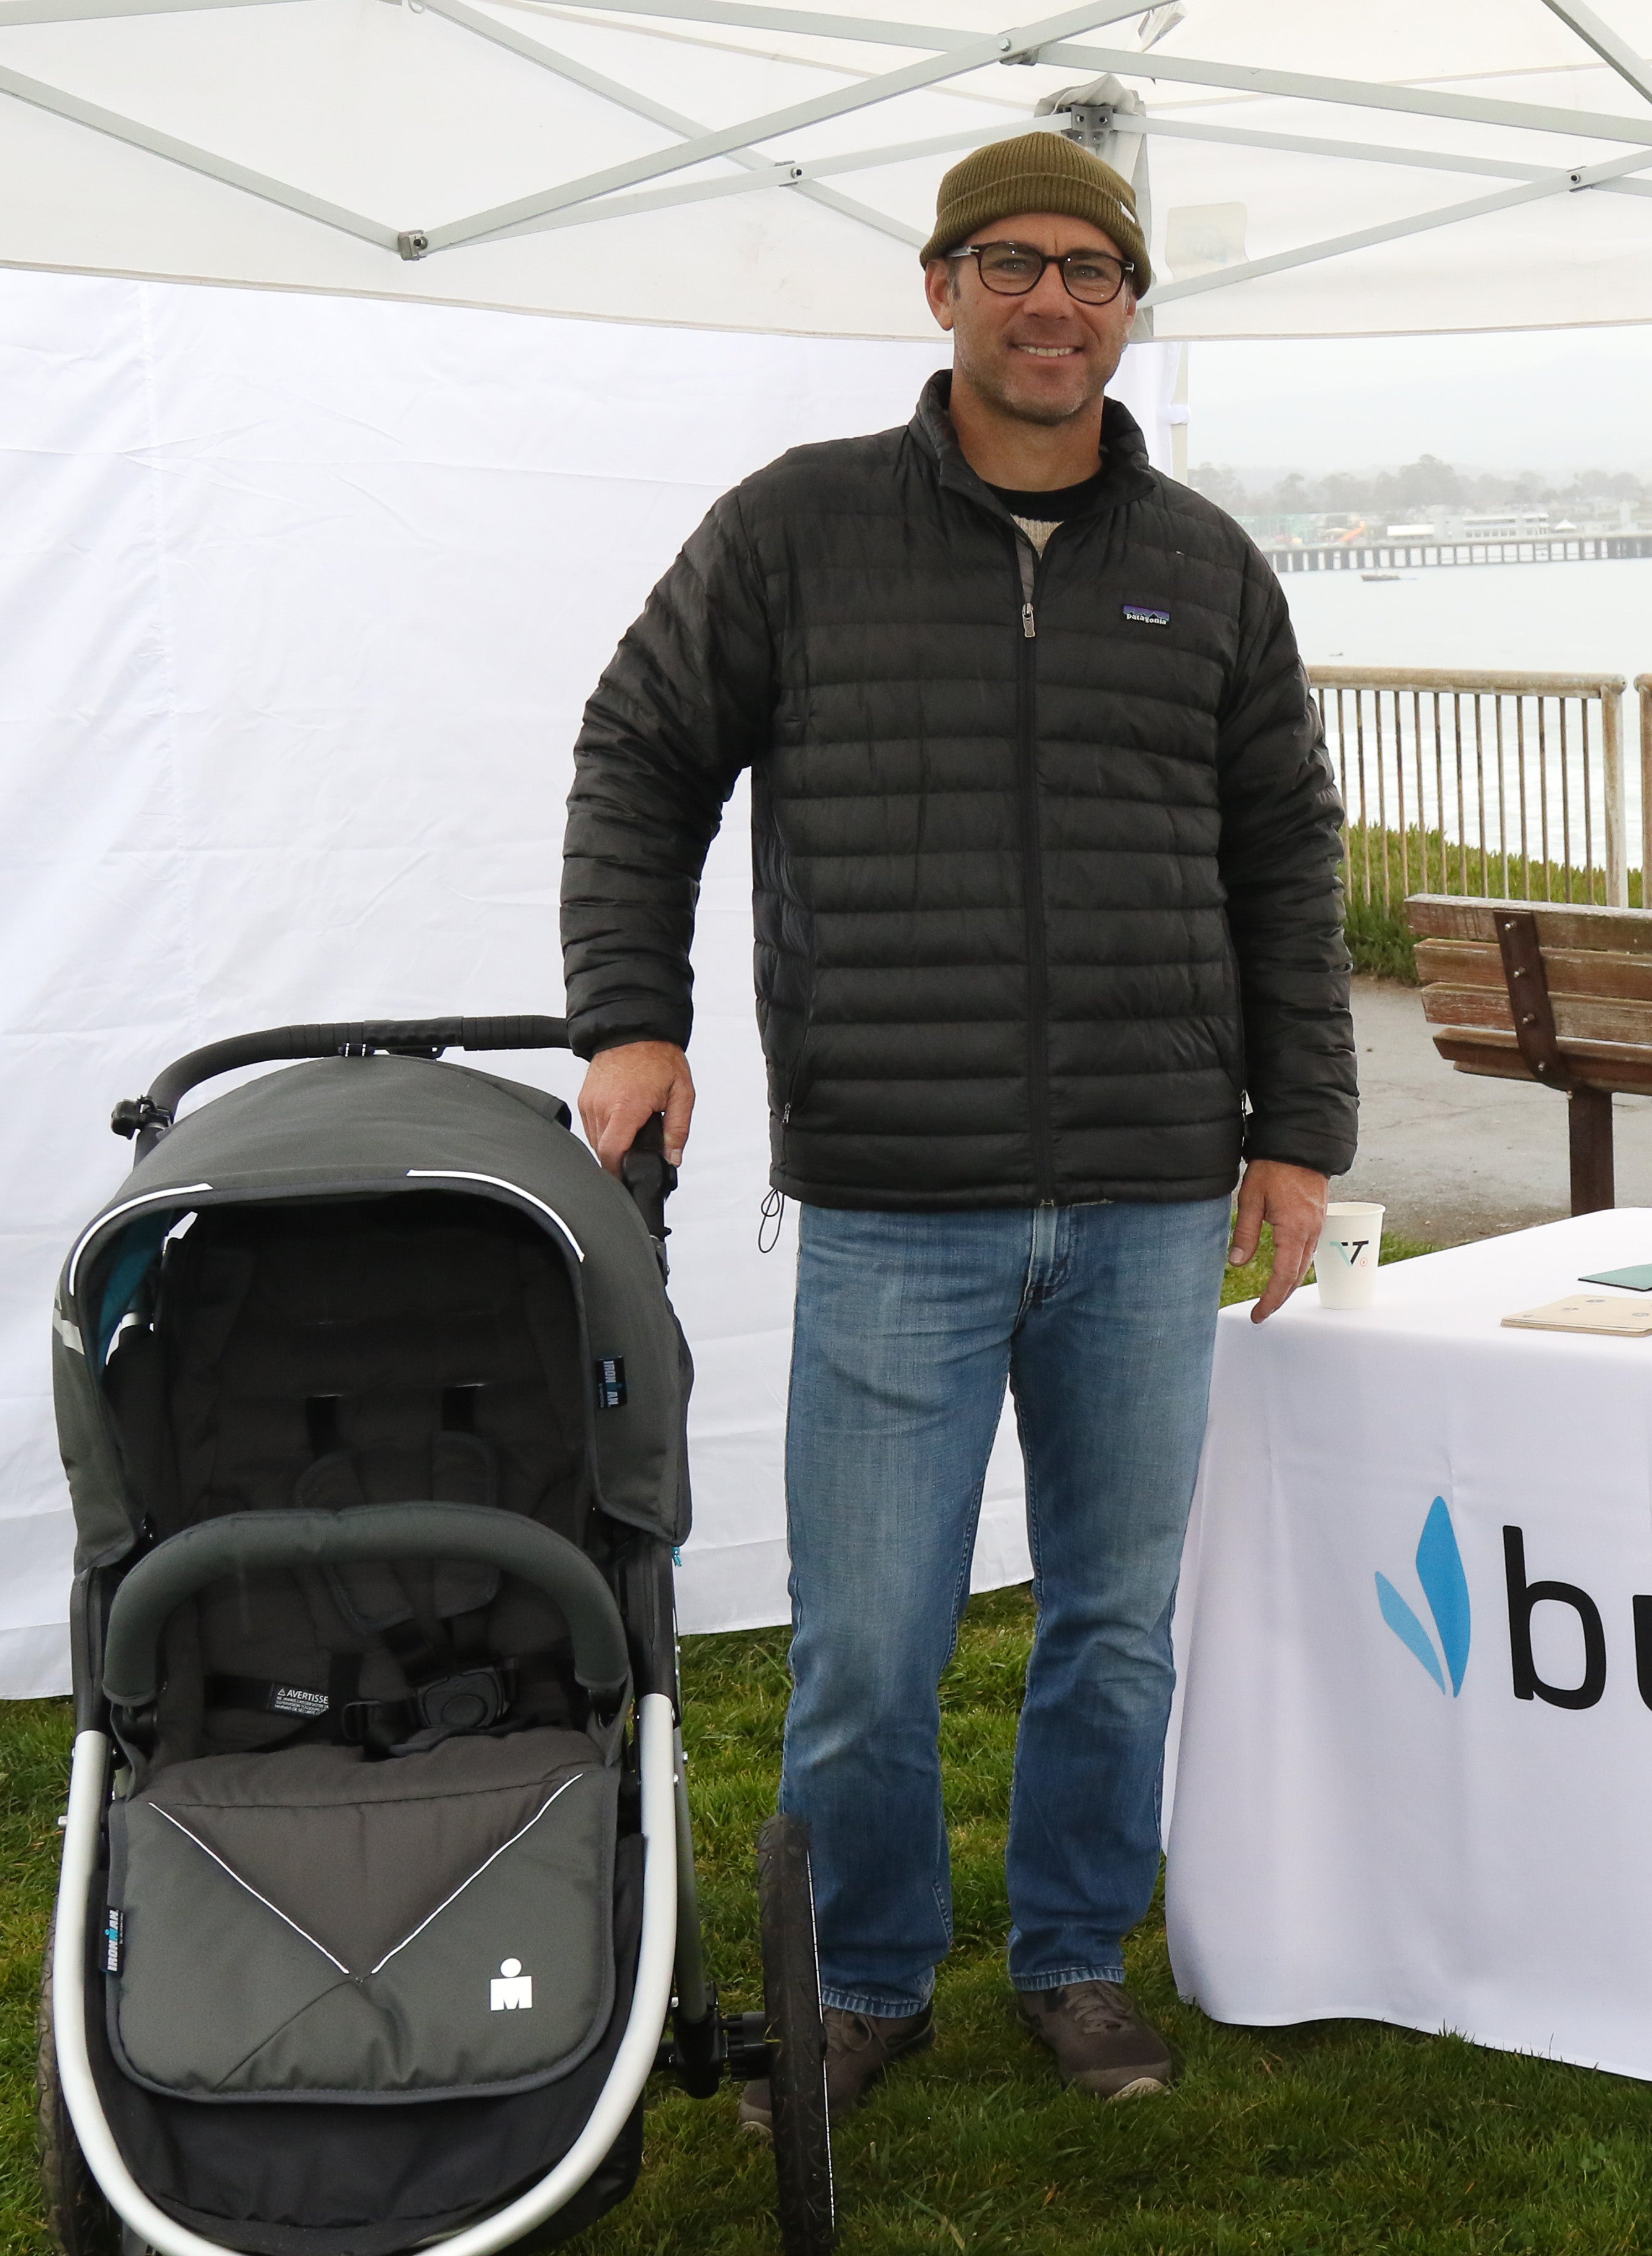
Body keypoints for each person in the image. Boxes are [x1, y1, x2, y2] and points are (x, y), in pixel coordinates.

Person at [557, 131, 1356, 2118]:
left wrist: (1300, 1128)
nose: (1054, 302)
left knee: (1110, 1625)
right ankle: (871, 1976)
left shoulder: (1204, 567)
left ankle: (1077, 1953)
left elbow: (1286, 858)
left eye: (1095, 272)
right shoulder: (799, 531)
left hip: (1158, 1192)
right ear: (939, 290)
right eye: (1012, 263)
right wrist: (630, 1018)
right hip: (899, 1198)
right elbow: (641, 752)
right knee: (867, 1644)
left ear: (1130, 311)